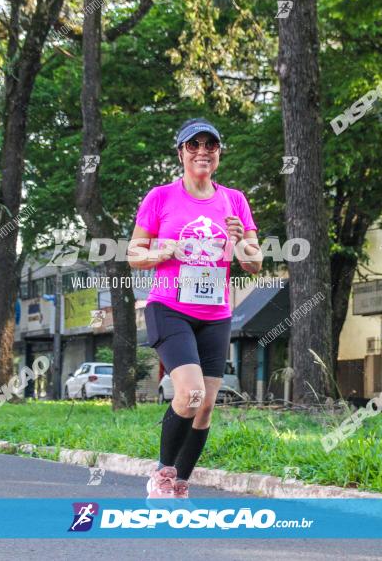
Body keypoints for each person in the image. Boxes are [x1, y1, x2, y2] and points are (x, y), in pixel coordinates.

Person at [128, 118, 262, 498]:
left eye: (210, 145)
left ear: (219, 153)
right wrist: (161, 251)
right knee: (189, 394)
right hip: (169, 307)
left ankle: (180, 484)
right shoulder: (160, 197)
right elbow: (133, 254)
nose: (202, 151)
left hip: (215, 315)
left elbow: (256, 263)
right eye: (193, 145)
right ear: (181, 153)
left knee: (205, 407)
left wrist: (239, 242)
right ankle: (162, 474)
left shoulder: (234, 200)